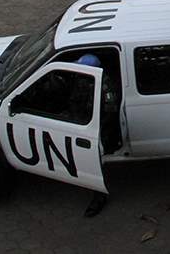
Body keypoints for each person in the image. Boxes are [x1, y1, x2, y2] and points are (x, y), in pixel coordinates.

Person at [74, 52, 119, 218]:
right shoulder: (84, 80)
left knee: (94, 162)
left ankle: (99, 196)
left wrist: (94, 129)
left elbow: (110, 112)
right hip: (81, 122)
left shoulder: (105, 87)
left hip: (96, 129)